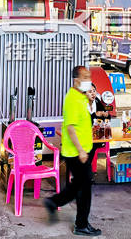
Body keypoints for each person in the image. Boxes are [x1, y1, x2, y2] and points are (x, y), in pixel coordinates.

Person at [45, 66, 101, 237]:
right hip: (75, 152)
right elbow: (70, 128)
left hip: (83, 150)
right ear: (76, 79)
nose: (88, 79)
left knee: (79, 184)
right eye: (85, 76)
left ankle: (54, 202)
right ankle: (81, 224)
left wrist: (91, 100)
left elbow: (86, 118)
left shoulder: (80, 96)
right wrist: (80, 150)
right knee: (84, 187)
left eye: (89, 76)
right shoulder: (72, 99)